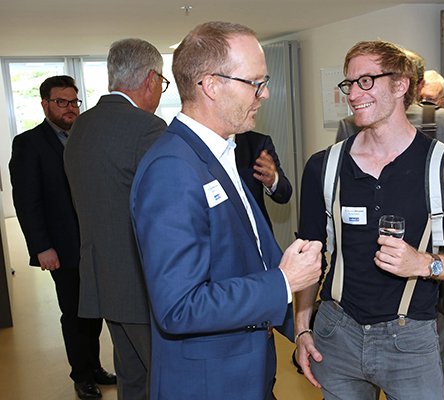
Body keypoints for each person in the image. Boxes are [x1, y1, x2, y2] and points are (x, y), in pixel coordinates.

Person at [295, 40, 444, 400]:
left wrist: (424, 264)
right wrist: (301, 328)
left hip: (410, 340)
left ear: (400, 84)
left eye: (366, 81)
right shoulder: (323, 167)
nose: (353, 94)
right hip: (336, 334)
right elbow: (308, 257)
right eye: (349, 83)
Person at [129, 21, 322, 400]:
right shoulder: (172, 169)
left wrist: (299, 330)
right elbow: (179, 307)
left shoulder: (218, 152)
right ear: (211, 85)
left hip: (246, 371)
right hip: (210, 383)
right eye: (255, 82)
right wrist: (283, 281)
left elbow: (246, 257)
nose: (265, 94)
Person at [64, 39, 167, 400]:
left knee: (131, 375)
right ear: (150, 79)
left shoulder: (82, 125)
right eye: (162, 82)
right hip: (142, 283)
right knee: (164, 378)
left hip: (102, 278)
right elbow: (168, 208)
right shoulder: (148, 128)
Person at [9, 75, 116, 400]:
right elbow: (27, 202)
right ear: (45, 105)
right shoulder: (29, 144)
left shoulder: (86, 138)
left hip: (95, 243)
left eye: (74, 102)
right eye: (61, 102)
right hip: (63, 247)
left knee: (95, 310)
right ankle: (81, 375)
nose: (69, 108)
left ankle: (95, 367)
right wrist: (42, 247)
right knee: (74, 313)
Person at [234, 131, 292, 231]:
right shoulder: (204, 144)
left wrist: (273, 180)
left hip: (255, 233)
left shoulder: (258, 143)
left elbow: (284, 193)